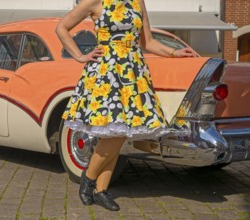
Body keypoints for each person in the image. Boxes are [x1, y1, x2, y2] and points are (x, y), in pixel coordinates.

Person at [56, 0, 198, 211]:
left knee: (120, 134)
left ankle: (100, 190)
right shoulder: (95, 1)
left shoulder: (137, 2)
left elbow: (147, 42)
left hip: (133, 72)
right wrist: (79, 56)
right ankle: (90, 178)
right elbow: (61, 28)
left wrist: (174, 53)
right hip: (107, 74)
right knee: (115, 133)